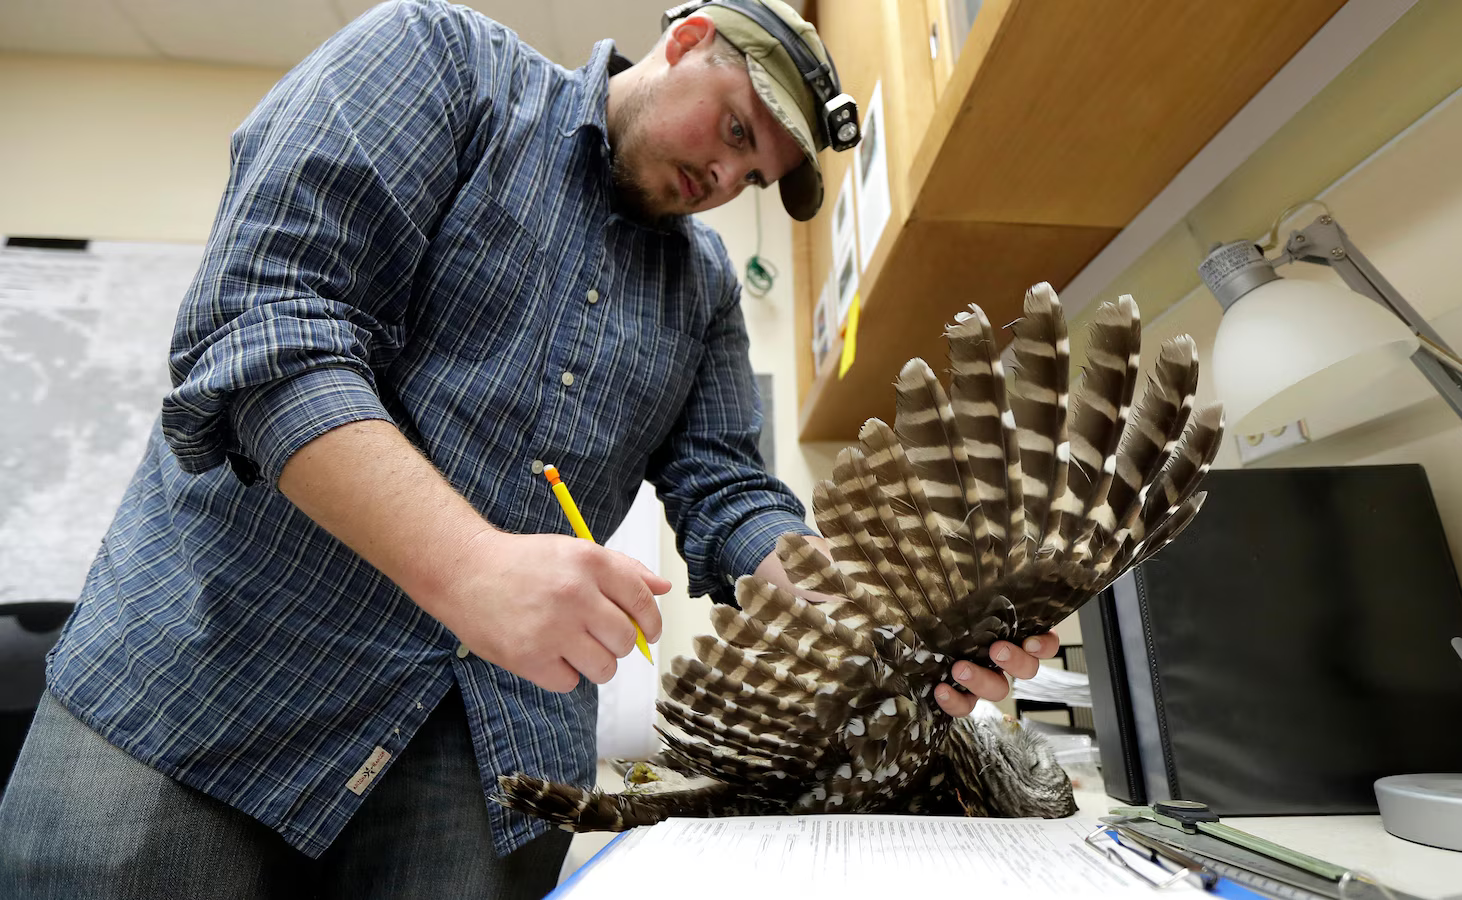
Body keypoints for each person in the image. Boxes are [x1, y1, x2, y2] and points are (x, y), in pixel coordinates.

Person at [0, 1, 1059, 896]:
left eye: (755, 173)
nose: (727, 176)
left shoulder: (701, 294)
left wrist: (859, 604)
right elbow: (269, 331)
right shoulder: (436, 64)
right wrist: (467, 566)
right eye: (735, 129)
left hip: (483, 761)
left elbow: (724, 487)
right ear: (685, 40)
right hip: (210, 685)